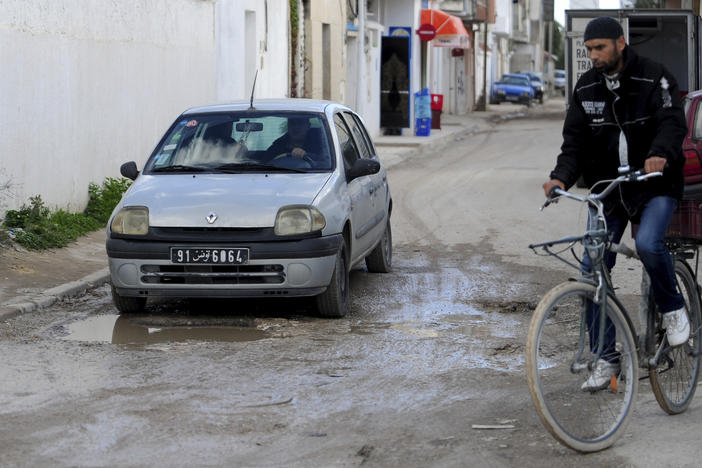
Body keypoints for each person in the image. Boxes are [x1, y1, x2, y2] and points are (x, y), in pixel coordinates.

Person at [542, 16, 690, 391]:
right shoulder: (587, 86)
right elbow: (574, 141)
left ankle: (674, 311)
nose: (593, 55)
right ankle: (606, 358)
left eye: (600, 48)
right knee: (592, 269)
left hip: (654, 184)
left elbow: (673, 123)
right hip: (610, 192)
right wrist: (560, 175)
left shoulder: (655, 77)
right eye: (589, 49)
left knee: (648, 244)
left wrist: (659, 154)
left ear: (620, 43)